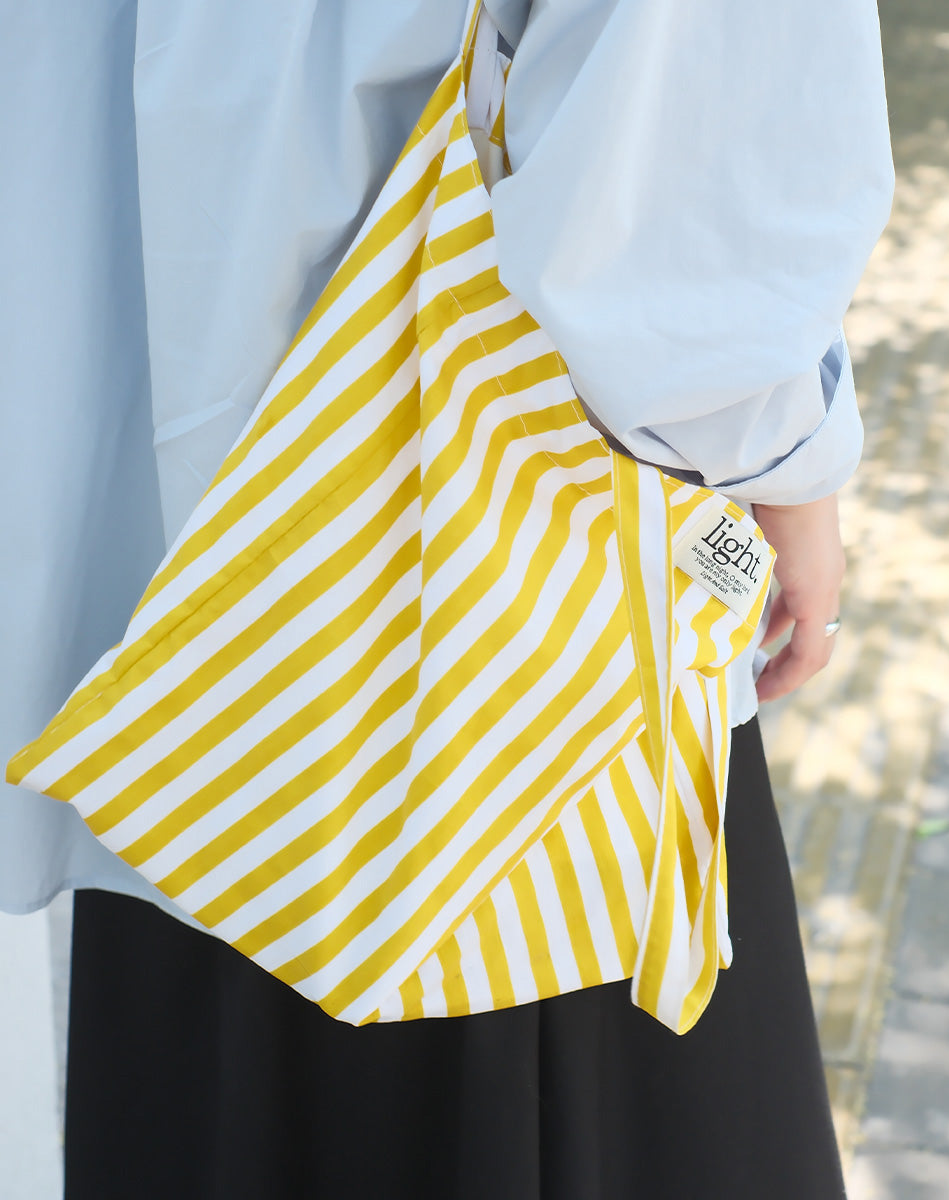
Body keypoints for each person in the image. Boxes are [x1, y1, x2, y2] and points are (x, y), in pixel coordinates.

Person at [0, 0, 893, 1196]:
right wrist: (791, 464)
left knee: (211, 1069)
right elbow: (666, 196)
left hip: (179, 663)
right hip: (483, 642)